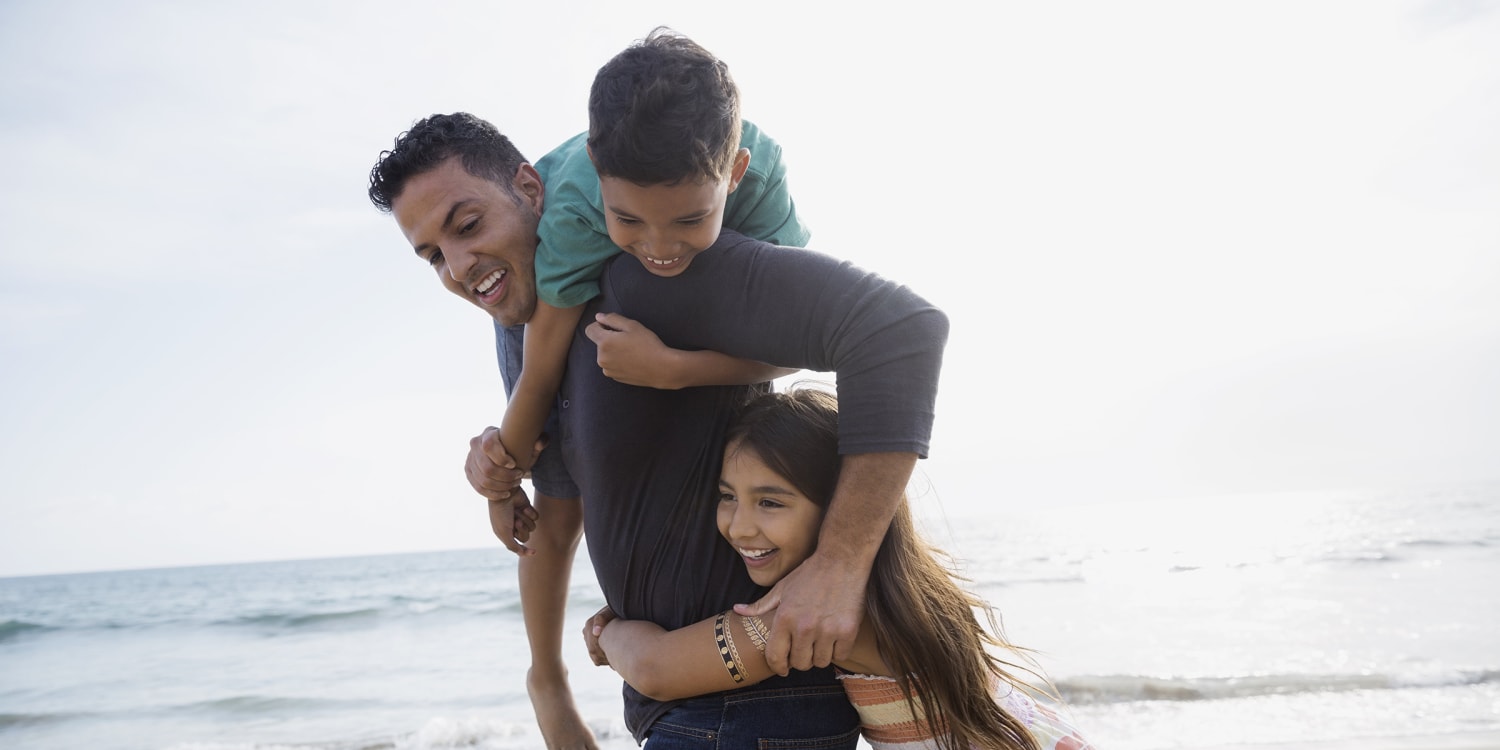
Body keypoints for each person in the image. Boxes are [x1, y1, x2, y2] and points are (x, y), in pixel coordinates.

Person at [368, 64, 946, 750]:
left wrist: (840, 566)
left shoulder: (655, 268)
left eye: (468, 225)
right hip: (677, 709)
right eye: (433, 255)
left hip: (755, 703)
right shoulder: (522, 339)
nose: (459, 266)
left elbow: (899, 329)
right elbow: (556, 519)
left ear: (530, 188)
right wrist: (549, 685)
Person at [587, 388, 1095, 750]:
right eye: (726, 497)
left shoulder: (816, 616)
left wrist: (609, 633)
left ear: (839, 510)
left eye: (770, 502)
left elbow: (656, 670)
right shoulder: (910, 588)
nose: (739, 527)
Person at [492, 27, 810, 549]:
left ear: (734, 174)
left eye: (690, 219)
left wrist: (675, 370)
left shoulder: (763, 175)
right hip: (545, 294)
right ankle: (543, 634)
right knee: (557, 498)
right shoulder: (574, 213)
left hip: (680, 321)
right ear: (598, 172)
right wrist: (498, 487)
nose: (660, 245)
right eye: (630, 219)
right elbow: (538, 374)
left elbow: (799, 345)